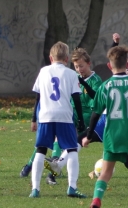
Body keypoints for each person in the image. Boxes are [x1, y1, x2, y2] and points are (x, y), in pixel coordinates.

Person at [45, 33, 121, 175]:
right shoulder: (116, 79)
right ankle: (58, 164)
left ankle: (58, 164)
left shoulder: (106, 83)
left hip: (108, 121)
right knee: (78, 140)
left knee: (113, 154)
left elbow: (96, 105)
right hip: (110, 122)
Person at [29, 41, 86, 198]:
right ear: (67, 59)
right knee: (72, 149)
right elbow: (76, 99)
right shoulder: (71, 74)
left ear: (50, 57)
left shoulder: (43, 71)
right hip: (64, 116)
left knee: (41, 149)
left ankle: (35, 189)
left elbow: (37, 98)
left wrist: (34, 118)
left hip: (46, 116)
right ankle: (72, 187)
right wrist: (80, 120)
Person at [83, 45, 128, 208]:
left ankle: (96, 201)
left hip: (112, 136)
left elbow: (95, 115)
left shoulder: (105, 86)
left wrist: (88, 136)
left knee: (105, 173)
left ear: (109, 66)